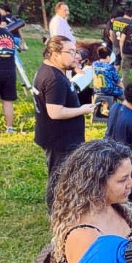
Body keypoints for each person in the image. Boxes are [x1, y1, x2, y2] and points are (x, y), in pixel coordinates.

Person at [33, 36, 95, 208]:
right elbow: (55, 112)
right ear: (54, 53)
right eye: (70, 52)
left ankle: (65, 206)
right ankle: (56, 211)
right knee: (58, 176)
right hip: (59, 138)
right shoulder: (54, 79)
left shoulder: (48, 70)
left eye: (75, 51)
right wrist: (82, 109)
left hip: (57, 136)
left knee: (64, 174)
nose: (75, 56)